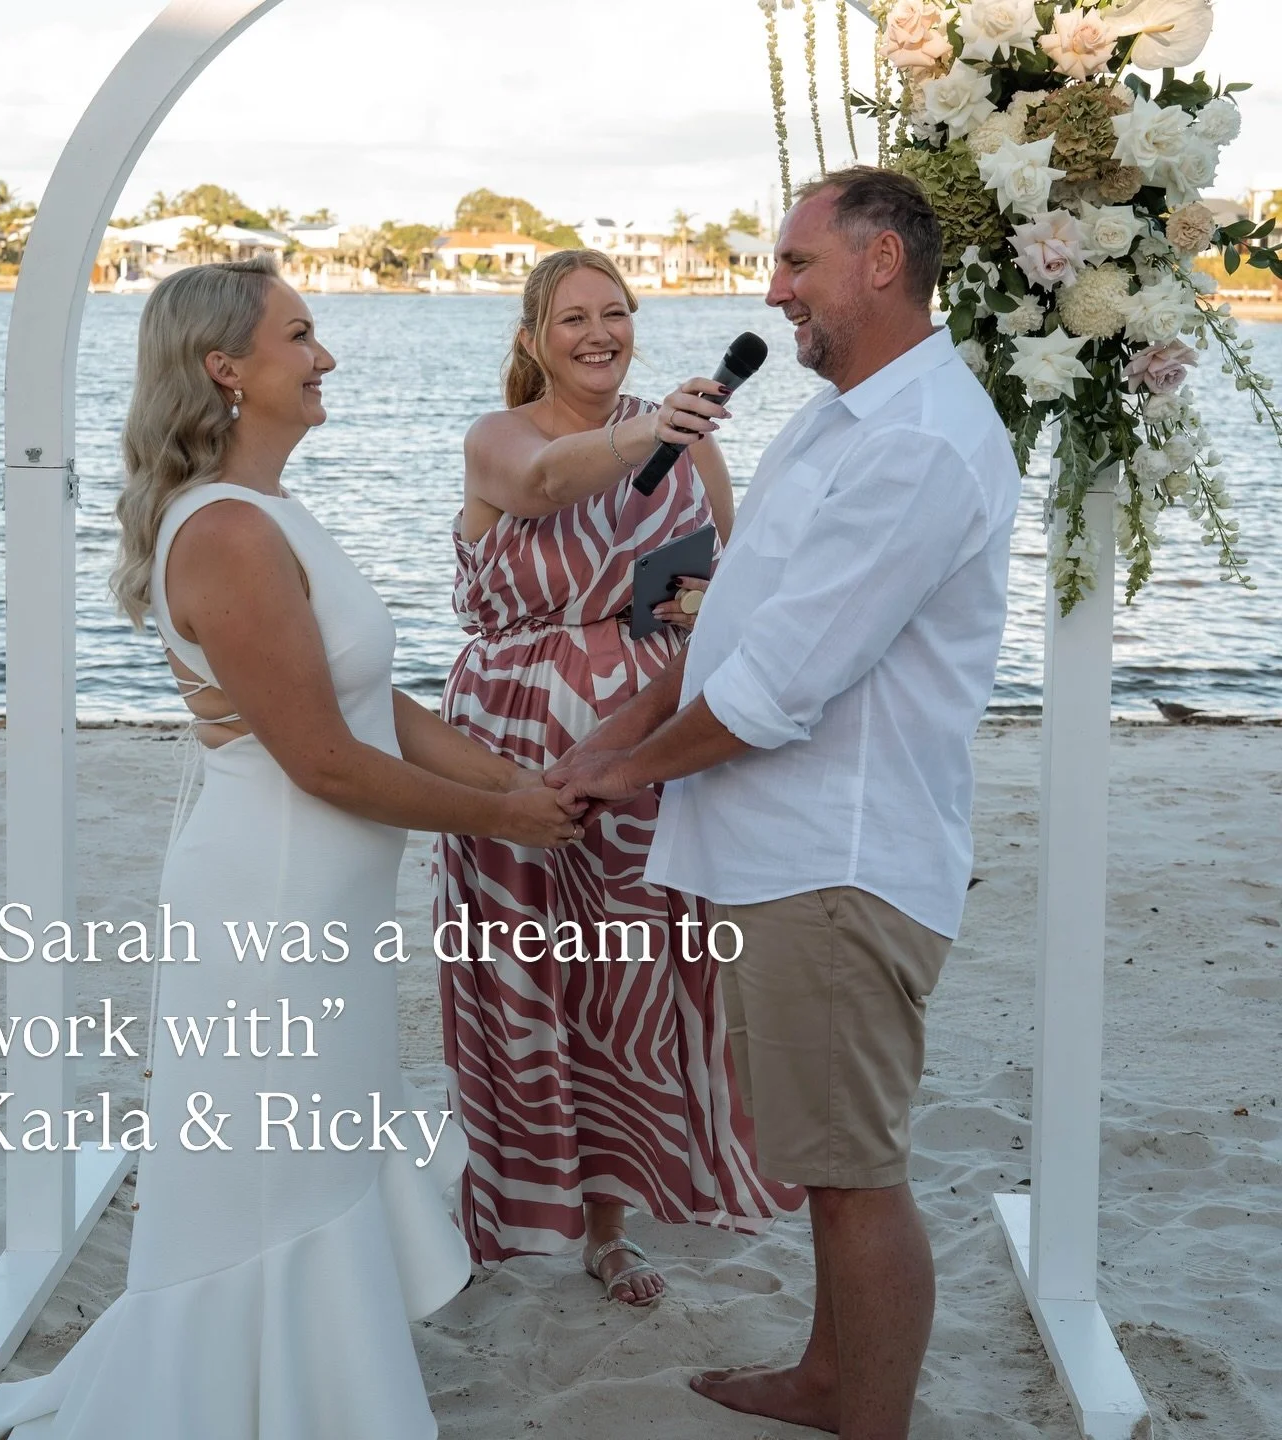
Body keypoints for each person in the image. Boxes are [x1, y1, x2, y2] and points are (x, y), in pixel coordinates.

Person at [0, 255, 582, 1440]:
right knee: (269, 1169)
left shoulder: (274, 515)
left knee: (313, 1153)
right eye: (301, 336)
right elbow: (327, 762)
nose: (327, 358)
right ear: (226, 370)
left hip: (324, 908)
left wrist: (510, 776)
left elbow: (378, 707)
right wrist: (502, 819)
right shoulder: (225, 537)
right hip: (271, 909)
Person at [550, 168, 1022, 1436]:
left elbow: (780, 687)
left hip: (838, 863)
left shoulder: (921, 441)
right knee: (823, 1164)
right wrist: (628, 722)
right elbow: (742, 614)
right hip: (783, 856)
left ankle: (868, 1414)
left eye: (797, 263)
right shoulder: (841, 417)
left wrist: (616, 771)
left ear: (881, 264)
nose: (774, 290)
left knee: (856, 1175)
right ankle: (828, 1376)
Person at [435, 247, 802, 1309]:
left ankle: (606, 1223)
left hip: (644, 748)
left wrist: (691, 617)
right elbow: (549, 485)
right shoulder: (499, 441)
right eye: (572, 319)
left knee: (625, 983)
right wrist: (654, 430)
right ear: (530, 338)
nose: (600, 334)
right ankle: (503, 1200)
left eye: (616, 313)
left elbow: (725, 594)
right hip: (505, 739)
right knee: (516, 974)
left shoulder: (693, 449)